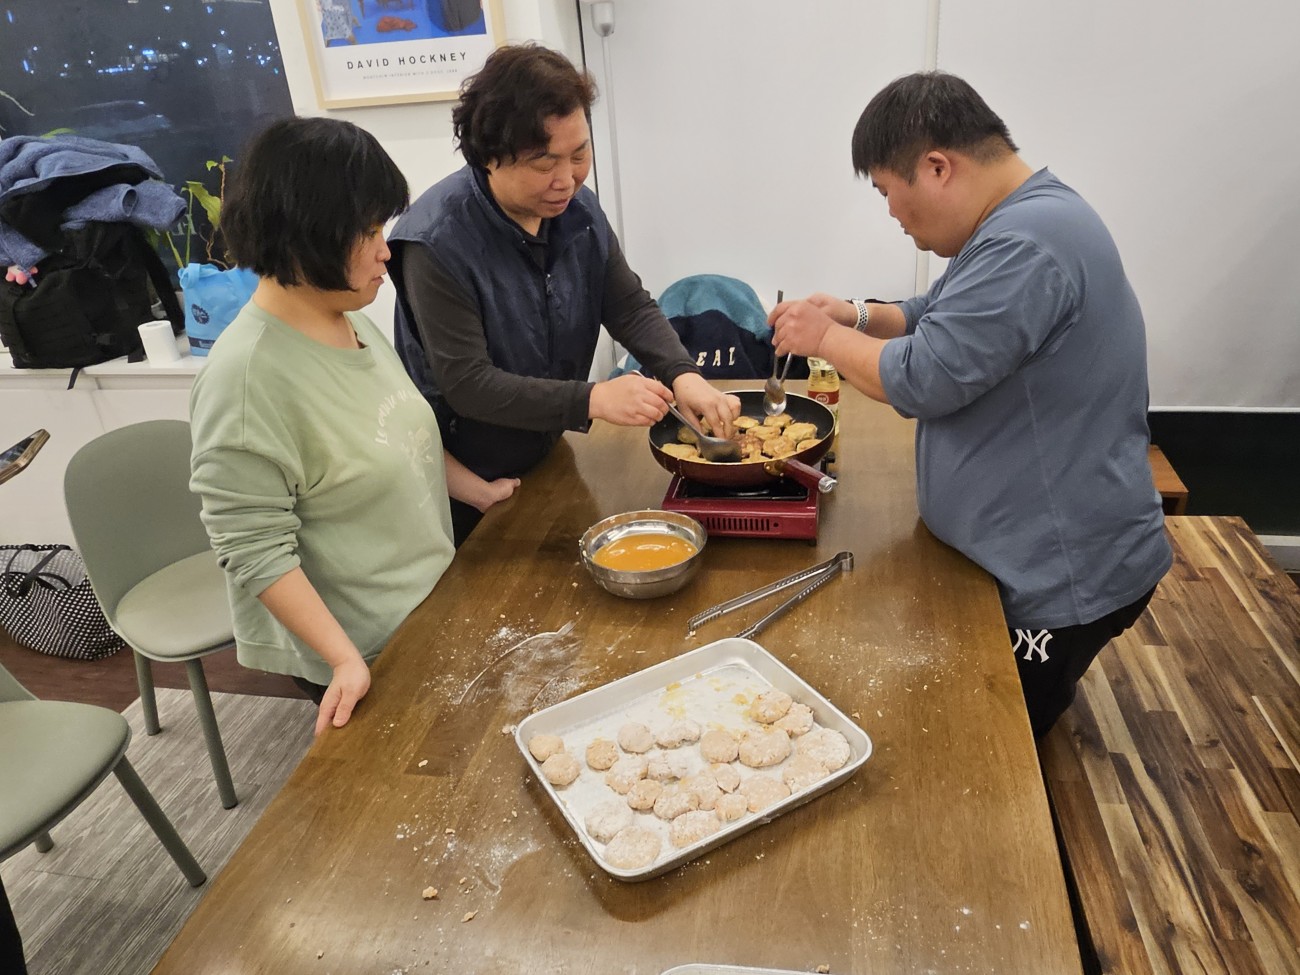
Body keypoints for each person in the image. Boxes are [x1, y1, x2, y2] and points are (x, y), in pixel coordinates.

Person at [769, 72, 1172, 737]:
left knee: (989, 744)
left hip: (1057, 578)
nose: (892, 215)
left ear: (937, 167)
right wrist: (855, 314)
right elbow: (936, 312)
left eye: (887, 192)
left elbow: (923, 377)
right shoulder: (1022, 218)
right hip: (1029, 557)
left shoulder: (1025, 243)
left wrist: (825, 338)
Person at [189, 117, 518, 735]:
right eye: (367, 232)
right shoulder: (245, 379)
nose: (384, 251)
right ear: (306, 236)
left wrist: (479, 492)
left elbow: (399, 434)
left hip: (426, 603)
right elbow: (251, 548)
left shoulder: (350, 318)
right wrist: (342, 660)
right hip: (362, 645)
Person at [388, 42, 740, 545]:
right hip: (467, 480)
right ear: (489, 157)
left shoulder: (577, 208)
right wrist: (592, 398)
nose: (567, 179)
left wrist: (684, 375)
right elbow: (468, 383)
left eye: (579, 154)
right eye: (543, 162)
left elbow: (627, 304)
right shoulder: (436, 244)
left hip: (547, 450)